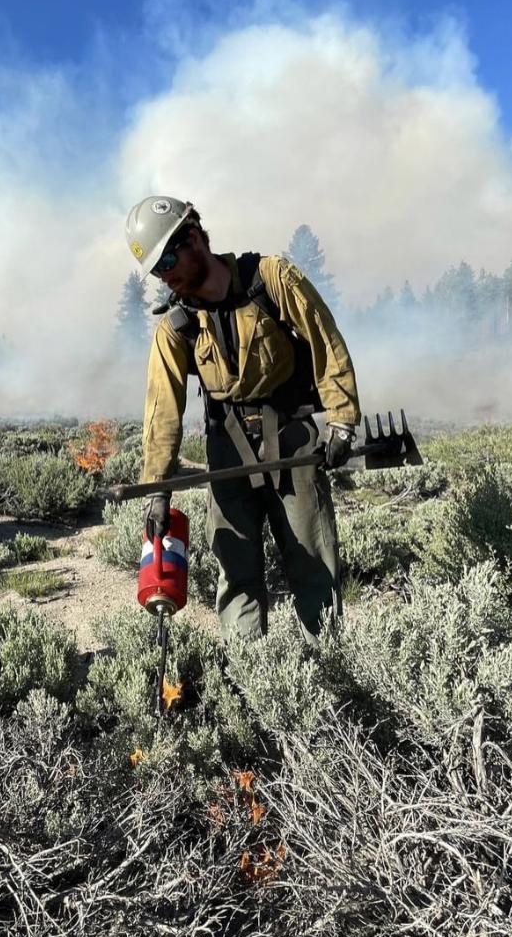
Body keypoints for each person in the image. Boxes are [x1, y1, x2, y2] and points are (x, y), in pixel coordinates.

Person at [126, 196, 360, 643]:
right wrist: (158, 490)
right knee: (237, 575)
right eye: (157, 270)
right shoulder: (175, 327)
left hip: (293, 440)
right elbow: (162, 411)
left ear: (193, 237)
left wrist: (343, 419)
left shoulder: (270, 279)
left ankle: (332, 672)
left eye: (169, 259)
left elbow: (326, 341)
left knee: (314, 565)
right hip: (227, 452)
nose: (166, 275)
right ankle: (253, 679)